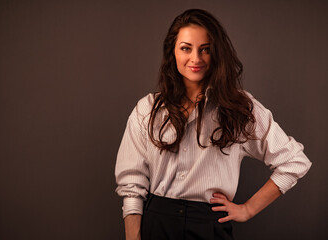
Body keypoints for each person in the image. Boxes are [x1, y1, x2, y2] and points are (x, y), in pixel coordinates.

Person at [115, 9, 311, 240]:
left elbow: (294, 161)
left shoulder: (239, 108)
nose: (196, 58)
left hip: (209, 227)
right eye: (186, 48)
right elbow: (132, 184)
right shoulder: (147, 109)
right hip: (157, 223)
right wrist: (132, 236)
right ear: (173, 53)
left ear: (216, 54)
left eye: (205, 49)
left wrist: (247, 209)